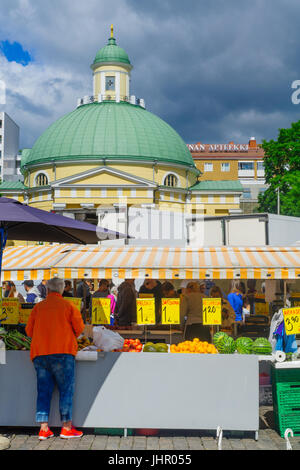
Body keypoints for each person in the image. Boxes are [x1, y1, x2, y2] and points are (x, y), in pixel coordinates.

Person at [25, 277, 85, 441]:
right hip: (63, 353)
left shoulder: (38, 307)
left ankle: (44, 429)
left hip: (40, 354)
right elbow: (79, 329)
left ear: (48, 290)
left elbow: (29, 331)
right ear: (61, 289)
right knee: (66, 391)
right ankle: (66, 427)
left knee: (43, 391)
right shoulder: (69, 306)